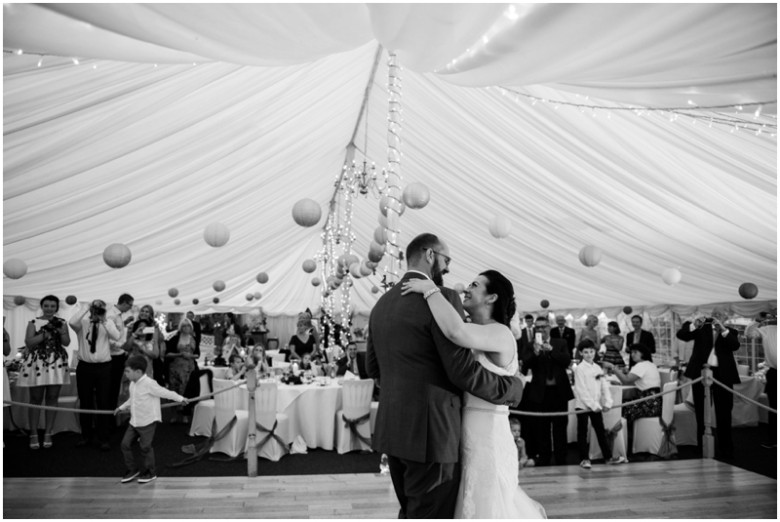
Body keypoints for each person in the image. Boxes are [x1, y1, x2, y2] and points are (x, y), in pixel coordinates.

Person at [367, 233, 525, 519]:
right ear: (430, 255)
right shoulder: (443, 298)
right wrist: (512, 388)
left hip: (393, 430)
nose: (450, 269)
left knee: (412, 510)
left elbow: (373, 369)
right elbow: (462, 371)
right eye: (446, 260)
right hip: (433, 434)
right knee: (430, 512)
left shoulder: (381, 305)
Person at [400, 266, 544, 518]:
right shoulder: (477, 331)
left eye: (475, 285)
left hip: (487, 436)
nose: (467, 288)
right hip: (462, 431)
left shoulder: (500, 332)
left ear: (492, 297)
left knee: (485, 504)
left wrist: (430, 290)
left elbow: (455, 331)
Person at [676, 308, 740, 459]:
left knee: (724, 412)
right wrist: (694, 325)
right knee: (700, 411)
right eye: (715, 314)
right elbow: (682, 335)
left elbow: (735, 346)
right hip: (700, 373)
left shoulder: (731, 331)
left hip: (723, 375)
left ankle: (726, 448)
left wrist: (723, 330)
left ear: (725, 317)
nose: (717, 317)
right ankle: (701, 446)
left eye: (720, 315)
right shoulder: (700, 328)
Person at [115, 355, 188, 484]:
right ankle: (132, 469)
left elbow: (165, 392)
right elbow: (132, 399)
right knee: (124, 444)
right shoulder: (133, 384)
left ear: (138, 372)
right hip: (134, 422)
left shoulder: (149, 384)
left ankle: (150, 471)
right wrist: (121, 407)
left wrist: (180, 399)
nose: (125, 374)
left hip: (147, 422)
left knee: (145, 447)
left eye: (127, 371)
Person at [19, 295, 71, 450]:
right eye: (46, 305)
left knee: (52, 397)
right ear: (42, 306)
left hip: (56, 362)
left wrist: (62, 332)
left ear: (56, 308)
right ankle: (33, 433)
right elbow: (28, 342)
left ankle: (48, 431)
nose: (49, 308)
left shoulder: (61, 322)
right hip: (37, 362)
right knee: (35, 398)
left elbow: (66, 343)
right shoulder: (33, 322)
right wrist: (44, 334)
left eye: (52, 306)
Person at [68, 299, 121, 451]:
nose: (97, 310)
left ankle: (104, 438)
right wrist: (85, 308)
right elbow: (72, 322)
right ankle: (86, 436)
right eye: (95, 308)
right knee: (85, 402)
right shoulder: (83, 324)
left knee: (103, 402)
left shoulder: (107, 323)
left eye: (100, 308)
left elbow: (116, 336)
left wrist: (104, 319)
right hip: (85, 367)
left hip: (104, 367)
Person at [522, 314, 573, 467]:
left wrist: (551, 351)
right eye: (538, 327)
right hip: (540, 392)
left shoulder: (560, 342)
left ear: (549, 327)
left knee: (560, 427)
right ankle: (543, 458)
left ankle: (561, 458)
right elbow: (525, 366)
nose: (541, 329)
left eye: (544, 326)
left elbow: (566, 361)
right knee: (542, 428)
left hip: (559, 391)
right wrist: (536, 353)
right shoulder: (531, 345)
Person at [602, 343, 662, 450]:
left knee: (618, 409)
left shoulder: (640, 366)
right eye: (631, 352)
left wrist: (612, 367)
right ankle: (627, 440)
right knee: (623, 404)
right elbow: (632, 381)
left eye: (635, 352)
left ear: (642, 354)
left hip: (648, 405)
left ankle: (616, 443)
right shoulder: (650, 364)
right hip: (655, 404)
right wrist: (620, 381)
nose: (632, 355)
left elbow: (626, 380)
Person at [573, 339, 616, 468]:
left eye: (591, 351)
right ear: (581, 353)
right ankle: (584, 459)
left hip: (596, 406)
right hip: (583, 406)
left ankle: (608, 457)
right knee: (582, 432)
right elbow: (581, 390)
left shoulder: (598, 368)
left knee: (600, 431)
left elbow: (604, 386)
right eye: (586, 352)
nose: (589, 354)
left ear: (595, 352)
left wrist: (608, 402)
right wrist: (593, 406)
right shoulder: (579, 369)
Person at [747, 312, 777, 449]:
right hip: (774, 373)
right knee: (774, 408)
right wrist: (758, 320)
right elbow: (749, 333)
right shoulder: (767, 329)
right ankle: (774, 440)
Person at [165, 317, 199, 424]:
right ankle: (174, 414)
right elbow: (167, 354)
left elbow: (198, 354)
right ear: (180, 327)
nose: (186, 328)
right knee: (174, 391)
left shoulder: (193, 338)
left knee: (186, 391)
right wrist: (180, 354)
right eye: (184, 326)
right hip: (175, 369)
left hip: (189, 368)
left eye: (188, 325)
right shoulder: (174, 338)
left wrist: (191, 356)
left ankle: (185, 414)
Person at [107, 293, 135, 410]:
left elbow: (118, 334)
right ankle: (110, 415)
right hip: (113, 356)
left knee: (116, 387)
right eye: (130, 305)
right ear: (124, 303)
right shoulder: (111, 315)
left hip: (119, 354)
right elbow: (108, 339)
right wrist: (122, 347)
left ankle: (113, 412)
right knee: (112, 388)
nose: (130, 308)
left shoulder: (119, 316)